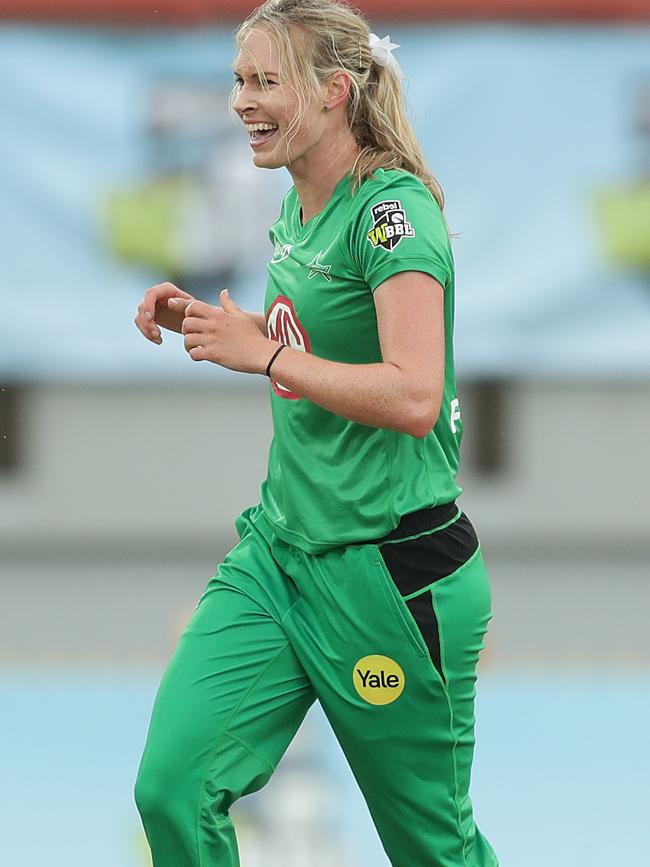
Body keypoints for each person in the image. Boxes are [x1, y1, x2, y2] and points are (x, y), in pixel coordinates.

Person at [133, 1, 499, 865]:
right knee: (172, 788)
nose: (241, 103)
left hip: (389, 581)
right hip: (282, 553)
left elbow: (413, 394)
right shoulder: (302, 201)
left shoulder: (391, 215)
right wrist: (212, 322)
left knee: (433, 851)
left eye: (266, 82)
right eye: (238, 81)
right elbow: (322, 337)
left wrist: (260, 356)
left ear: (335, 91)